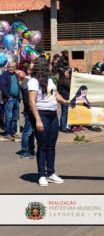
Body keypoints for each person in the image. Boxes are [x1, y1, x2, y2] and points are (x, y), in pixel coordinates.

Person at [28, 57, 68, 187]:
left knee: (51, 146)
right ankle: (41, 175)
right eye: (49, 64)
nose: (51, 65)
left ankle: (51, 173)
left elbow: (55, 95)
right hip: (42, 115)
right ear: (43, 66)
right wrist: (38, 120)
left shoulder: (50, 79)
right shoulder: (33, 81)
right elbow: (31, 101)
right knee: (42, 146)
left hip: (53, 115)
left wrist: (64, 101)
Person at [17, 63, 35, 158]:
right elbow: (28, 101)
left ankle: (31, 149)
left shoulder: (32, 81)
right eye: (33, 69)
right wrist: (32, 110)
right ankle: (24, 151)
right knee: (27, 131)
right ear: (28, 71)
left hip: (33, 110)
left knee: (32, 131)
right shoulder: (26, 83)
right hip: (29, 110)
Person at [2, 62, 21, 140]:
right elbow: (2, 86)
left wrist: (19, 97)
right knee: (9, 117)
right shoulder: (4, 75)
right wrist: (8, 96)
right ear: (7, 67)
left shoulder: (15, 75)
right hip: (9, 99)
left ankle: (12, 132)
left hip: (16, 99)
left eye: (12, 67)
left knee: (15, 117)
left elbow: (17, 86)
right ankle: (7, 132)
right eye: (9, 66)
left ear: (15, 67)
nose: (10, 68)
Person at [58, 67, 72, 132]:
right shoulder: (64, 81)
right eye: (66, 73)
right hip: (65, 99)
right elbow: (70, 86)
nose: (68, 74)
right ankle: (63, 127)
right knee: (64, 113)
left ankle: (64, 126)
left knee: (65, 112)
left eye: (68, 73)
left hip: (65, 98)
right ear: (63, 73)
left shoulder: (62, 80)